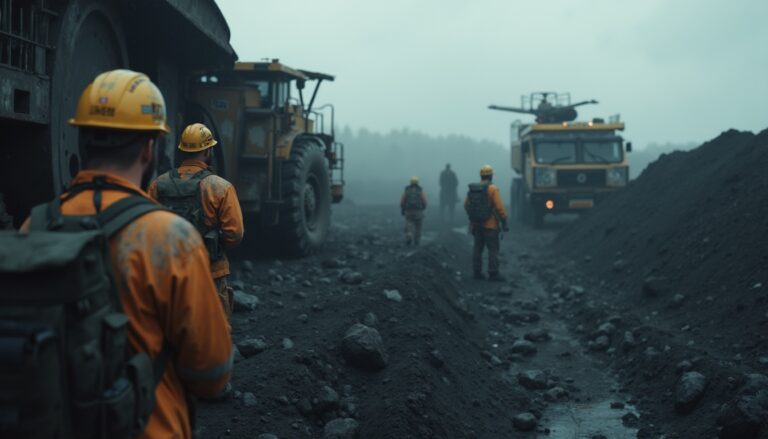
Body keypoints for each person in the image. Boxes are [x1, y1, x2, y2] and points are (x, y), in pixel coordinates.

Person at [25, 69, 233, 438]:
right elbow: (212, 373)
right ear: (149, 147)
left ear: (83, 136)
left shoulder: (34, 226)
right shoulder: (171, 239)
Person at [148, 123, 244, 317]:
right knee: (214, 335)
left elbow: (146, 229)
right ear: (208, 150)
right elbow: (234, 233)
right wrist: (214, 247)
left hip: (168, 273)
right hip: (210, 272)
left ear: (183, 150)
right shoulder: (220, 187)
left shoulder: (158, 184)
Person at [465, 164, 509, 281]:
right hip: (491, 226)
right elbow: (499, 207)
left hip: (476, 225)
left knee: (477, 249)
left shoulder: (473, 189)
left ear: (481, 175)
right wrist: (504, 220)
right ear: (491, 176)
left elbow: (466, 205)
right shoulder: (493, 189)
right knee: (493, 249)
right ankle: (493, 273)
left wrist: (474, 217)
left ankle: (477, 272)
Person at [400, 176, 427, 245]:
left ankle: (409, 236)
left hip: (408, 211)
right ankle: (417, 240)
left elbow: (402, 201)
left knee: (409, 225)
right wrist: (423, 208)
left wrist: (403, 209)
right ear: (417, 182)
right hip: (418, 211)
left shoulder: (407, 191)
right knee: (418, 226)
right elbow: (424, 201)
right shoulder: (420, 191)